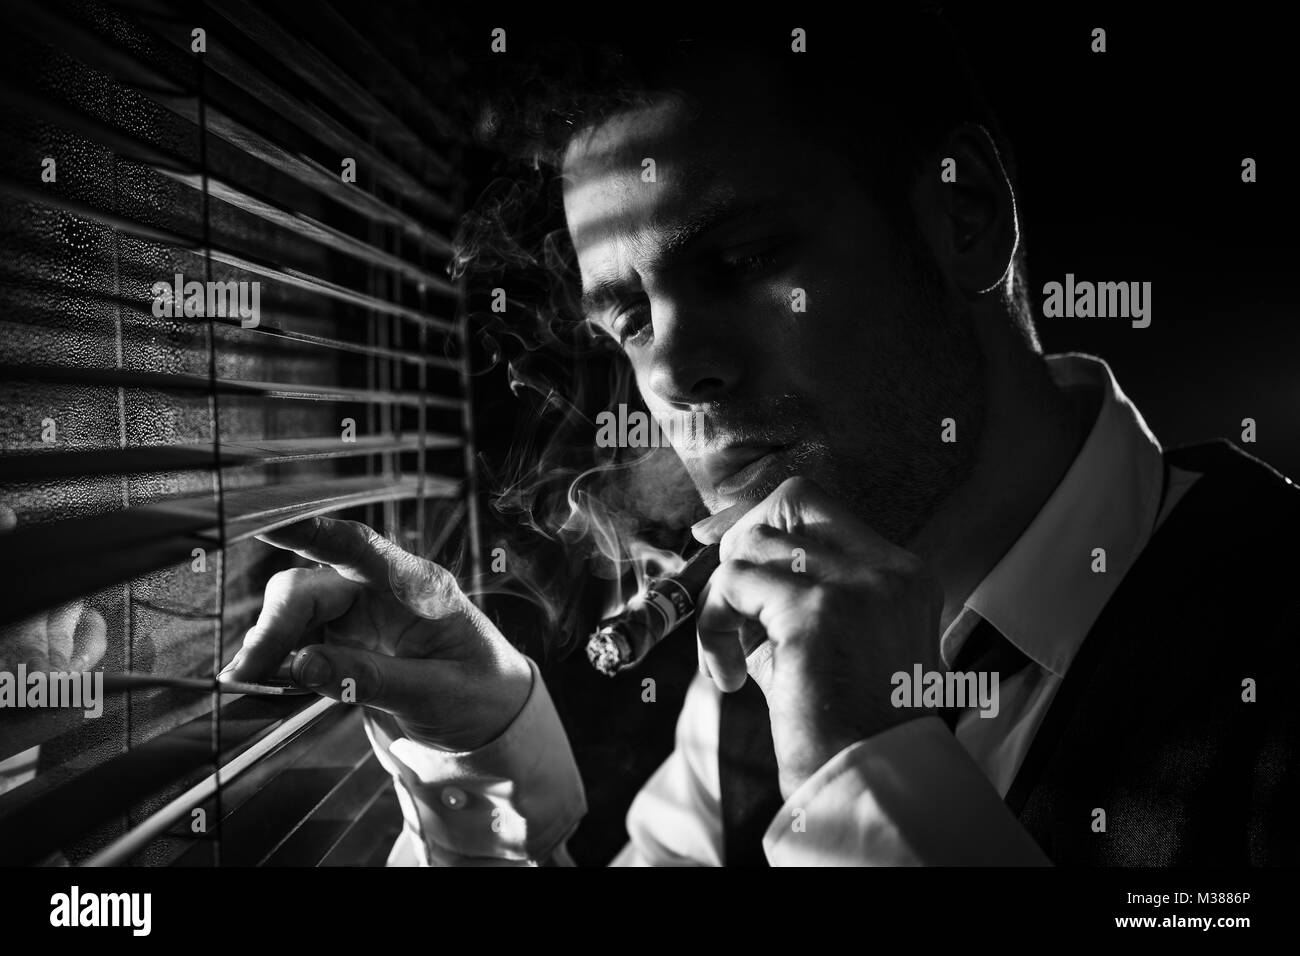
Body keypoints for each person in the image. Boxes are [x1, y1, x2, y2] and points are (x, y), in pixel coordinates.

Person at [219, 15, 1300, 865]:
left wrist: (862, 777)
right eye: (629, 318)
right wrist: (479, 764)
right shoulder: (753, 670)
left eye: (737, 260)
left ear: (962, 217)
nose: (675, 374)